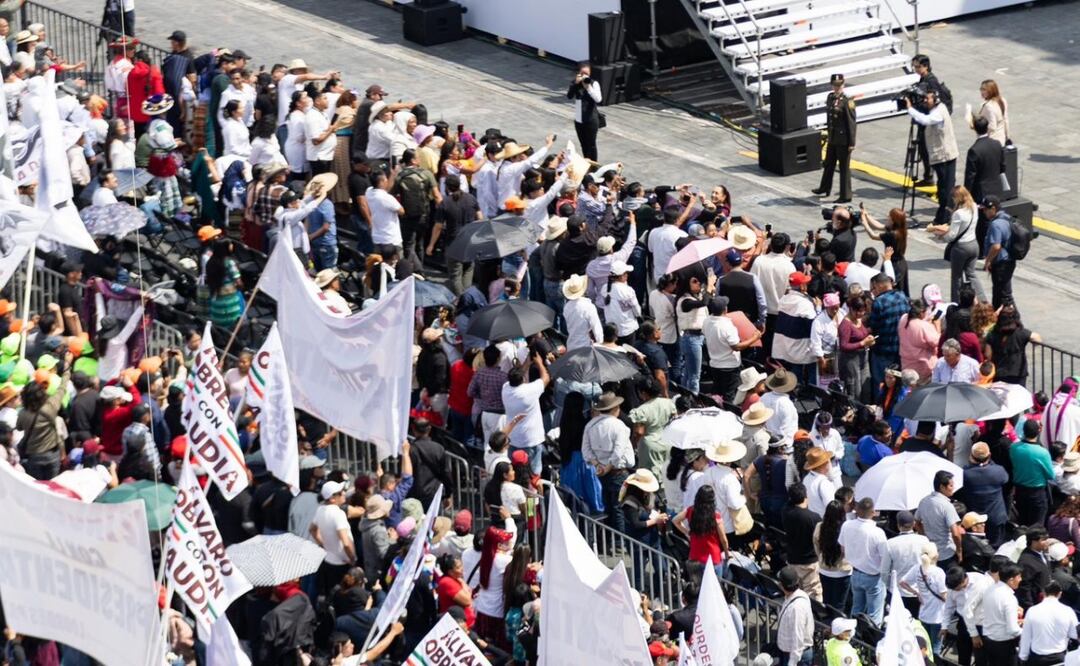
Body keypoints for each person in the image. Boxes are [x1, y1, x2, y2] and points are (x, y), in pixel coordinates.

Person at [582, 392, 635, 534]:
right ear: (615, 409)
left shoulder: (590, 425)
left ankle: (611, 538)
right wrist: (607, 467)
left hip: (601, 471)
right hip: (617, 471)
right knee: (619, 508)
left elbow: (586, 450)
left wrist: (598, 465)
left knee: (608, 506)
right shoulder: (619, 426)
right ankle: (619, 541)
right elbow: (618, 452)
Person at [905, 88, 959, 226]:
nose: (925, 101)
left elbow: (925, 120)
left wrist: (910, 109)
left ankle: (944, 217)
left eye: (927, 99)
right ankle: (943, 216)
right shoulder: (940, 108)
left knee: (945, 190)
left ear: (935, 100)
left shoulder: (938, 114)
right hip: (944, 156)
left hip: (944, 157)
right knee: (943, 188)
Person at [838, 497, 888, 624]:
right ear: (873, 512)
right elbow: (885, 557)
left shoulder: (846, 525)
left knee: (856, 609)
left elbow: (842, 548)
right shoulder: (877, 532)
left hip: (855, 574)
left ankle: (855, 637)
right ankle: (871, 642)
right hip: (873, 577)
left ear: (857, 510)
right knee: (874, 615)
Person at [812, 73, 856, 203]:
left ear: (843, 84)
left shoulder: (848, 100)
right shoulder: (830, 97)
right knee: (828, 164)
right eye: (835, 85)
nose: (837, 88)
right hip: (833, 137)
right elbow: (829, 118)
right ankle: (824, 187)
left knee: (843, 168)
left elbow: (851, 123)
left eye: (839, 85)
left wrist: (851, 142)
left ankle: (845, 195)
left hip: (843, 140)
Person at [308, 480, 357, 596]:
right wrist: (352, 559)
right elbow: (345, 542)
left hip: (328, 560)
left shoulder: (320, 510)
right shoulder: (338, 514)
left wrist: (324, 544)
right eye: (340, 493)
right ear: (332, 498)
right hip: (342, 562)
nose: (344, 494)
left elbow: (312, 530)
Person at [900, 541, 948, 655]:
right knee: (935, 647)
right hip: (937, 616)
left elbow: (902, 582)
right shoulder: (938, 572)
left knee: (923, 646)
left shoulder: (917, 568)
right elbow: (944, 594)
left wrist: (916, 592)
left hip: (923, 614)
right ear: (936, 556)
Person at [961, 443, 1009, 547]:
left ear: (971, 456)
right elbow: (1005, 479)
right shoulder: (998, 471)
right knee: (997, 548)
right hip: (996, 517)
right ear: (989, 455)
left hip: (976, 521)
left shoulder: (966, 473)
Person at [1019, 581, 1078, 666]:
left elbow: (1026, 637)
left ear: (1043, 593)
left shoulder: (1032, 611)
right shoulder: (1068, 611)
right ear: (1060, 594)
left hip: (1037, 658)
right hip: (1060, 658)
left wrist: (1023, 657)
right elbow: (1075, 634)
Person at [782, 483, 823, 602]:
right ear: (806, 496)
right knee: (813, 593)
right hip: (809, 562)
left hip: (792, 559)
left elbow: (789, 503)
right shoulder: (813, 518)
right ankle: (813, 617)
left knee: (795, 593)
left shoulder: (786, 511)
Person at [867, 272, 909, 387]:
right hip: (899, 350)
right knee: (897, 384)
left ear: (878, 285)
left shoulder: (878, 302)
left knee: (881, 384)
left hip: (882, 351)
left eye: (873, 289)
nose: (872, 292)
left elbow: (873, 327)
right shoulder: (903, 296)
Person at [915, 471, 963, 571]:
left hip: (931, 553)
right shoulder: (947, 506)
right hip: (947, 553)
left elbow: (917, 523)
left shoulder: (923, 501)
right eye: (951, 485)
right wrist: (959, 550)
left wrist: (925, 538)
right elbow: (955, 534)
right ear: (942, 487)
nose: (953, 488)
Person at [1010, 420, 1054, 527]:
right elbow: (1050, 475)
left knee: (1023, 522)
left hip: (1019, 492)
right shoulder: (1042, 452)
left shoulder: (1014, 448)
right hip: (1037, 494)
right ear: (1039, 431)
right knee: (1037, 527)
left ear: (1024, 431)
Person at [981, 562, 1022, 665]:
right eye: (1019, 577)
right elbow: (1013, 629)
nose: (1021, 579)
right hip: (1004, 644)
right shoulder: (1009, 598)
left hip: (989, 639)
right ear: (1011, 580)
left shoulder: (990, 589)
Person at [980, 196, 1016, 309]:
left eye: (985, 209)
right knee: (1005, 293)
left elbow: (996, 246)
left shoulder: (996, 224)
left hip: (1001, 263)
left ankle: (1013, 321)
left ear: (993, 208)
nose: (984, 212)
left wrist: (987, 261)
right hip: (1009, 260)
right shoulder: (1007, 217)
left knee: (1002, 296)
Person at [838, 295, 874, 403]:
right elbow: (843, 345)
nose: (861, 314)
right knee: (855, 390)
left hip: (863, 357)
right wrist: (862, 343)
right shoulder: (846, 324)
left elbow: (862, 333)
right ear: (851, 309)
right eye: (859, 311)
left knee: (866, 387)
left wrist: (869, 337)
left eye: (863, 311)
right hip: (851, 360)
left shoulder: (858, 320)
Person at [776, 565, 815, 666]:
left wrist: (792, 663)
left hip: (797, 657)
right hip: (791, 654)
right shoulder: (794, 597)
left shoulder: (796, 607)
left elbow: (798, 637)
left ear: (781, 585)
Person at [567, 62, 602, 161]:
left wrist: (588, 88)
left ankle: (594, 165)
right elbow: (569, 96)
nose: (584, 76)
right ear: (579, 73)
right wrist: (575, 84)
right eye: (582, 73)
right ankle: (586, 162)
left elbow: (598, 99)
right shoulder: (576, 83)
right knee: (583, 144)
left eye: (587, 73)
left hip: (591, 118)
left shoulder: (594, 83)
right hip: (579, 118)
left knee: (591, 144)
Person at [562, 274, 603, 351]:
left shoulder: (566, 307)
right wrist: (600, 344)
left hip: (571, 345)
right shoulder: (588, 306)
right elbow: (597, 329)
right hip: (585, 346)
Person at [1017, 527, 1052, 611]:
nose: (1047, 542)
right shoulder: (1026, 561)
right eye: (1043, 539)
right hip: (1036, 605)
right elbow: (1024, 588)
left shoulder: (1042, 553)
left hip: (1046, 601)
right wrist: (1030, 608)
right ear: (1034, 541)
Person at [971, 79, 1010, 146]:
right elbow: (1006, 120)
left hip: (992, 141)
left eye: (984, 90)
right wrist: (1007, 136)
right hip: (1001, 138)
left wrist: (979, 126)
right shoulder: (1002, 100)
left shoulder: (989, 106)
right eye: (981, 89)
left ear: (991, 91)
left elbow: (992, 126)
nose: (981, 92)